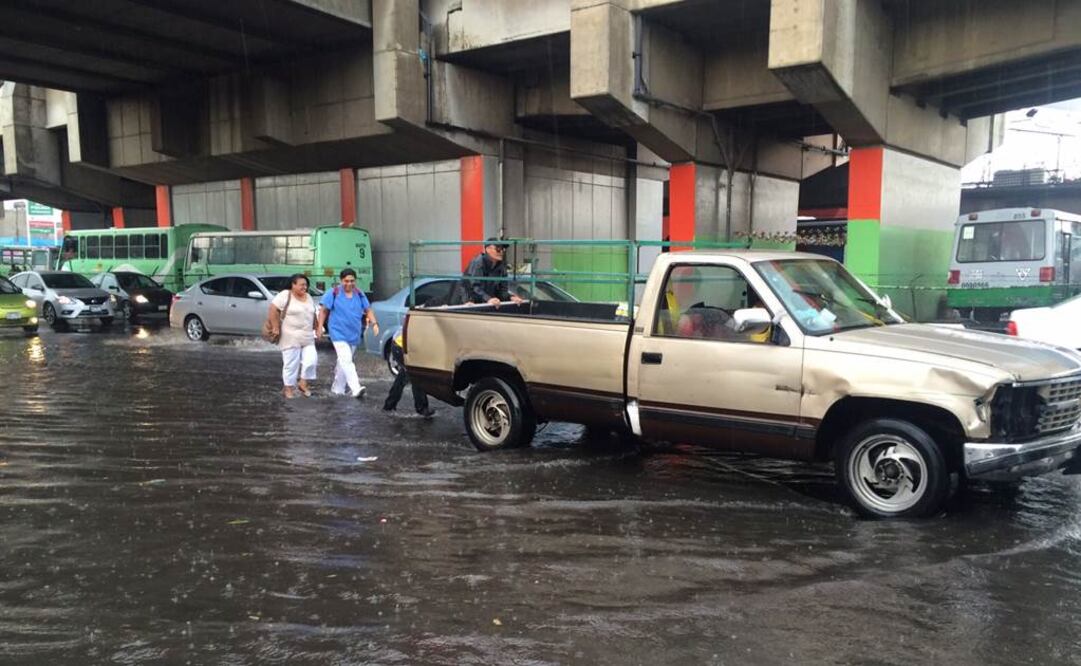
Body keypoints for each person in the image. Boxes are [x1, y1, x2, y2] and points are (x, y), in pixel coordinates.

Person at [317, 268, 379, 399]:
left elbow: (368, 310)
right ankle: (356, 388)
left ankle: (337, 389)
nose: (349, 284)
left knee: (343, 362)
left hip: (354, 333)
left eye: (352, 281)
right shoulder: (333, 293)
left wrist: (374, 323)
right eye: (346, 281)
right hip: (337, 332)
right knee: (346, 359)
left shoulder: (359, 294)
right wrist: (319, 326)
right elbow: (323, 311)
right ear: (341, 281)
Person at [269, 274, 318, 399]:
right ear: (293, 285)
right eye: (301, 285)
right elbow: (273, 309)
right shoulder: (285, 295)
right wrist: (275, 326)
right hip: (290, 336)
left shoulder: (308, 297)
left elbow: (313, 313)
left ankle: (303, 382)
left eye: (306, 285)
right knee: (291, 364)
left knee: (311, 361)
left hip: (307, 336)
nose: (304, 287)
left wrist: (318, 328)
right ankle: (288, 389)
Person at [383, 330, 435, 417]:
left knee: (404, 375)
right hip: (401, 346)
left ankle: (389, 405)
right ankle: (421, 408)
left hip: (401, 344)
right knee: (416, 375)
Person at [458, 238, 524, 306]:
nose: (501, 252)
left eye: (503, 249)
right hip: (469, 302)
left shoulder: (502, 266)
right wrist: (489, 299)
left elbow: (502, 290)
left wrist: (511, 297)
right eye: (498, 249)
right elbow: (474, 287)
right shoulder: (478, 263)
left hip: (487, 304)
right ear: (488, 249)